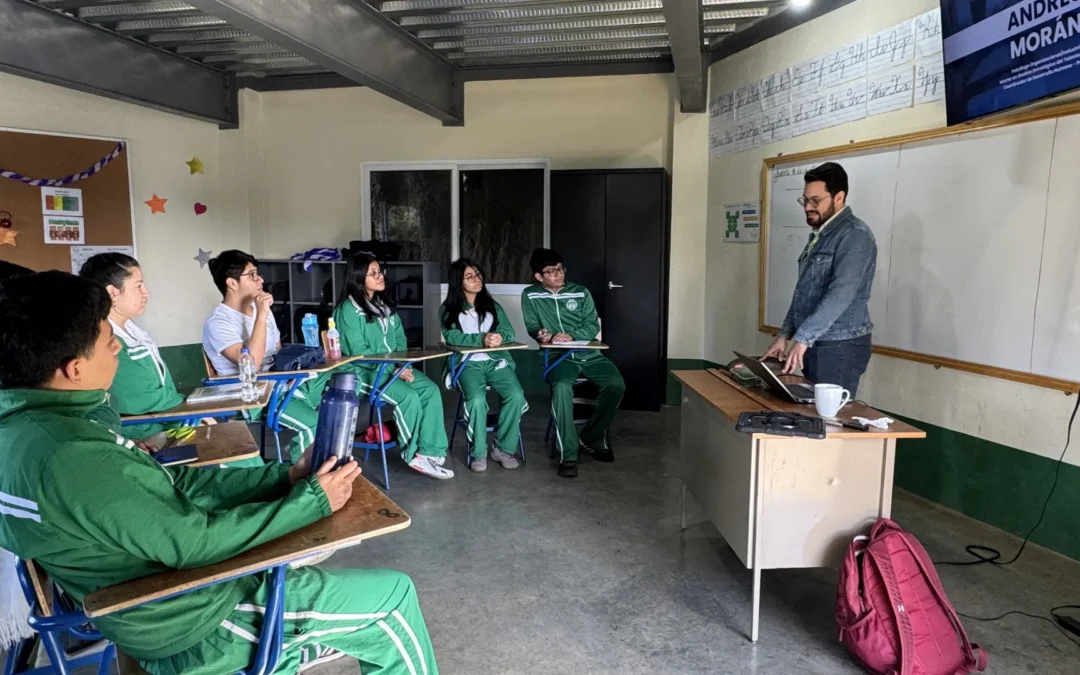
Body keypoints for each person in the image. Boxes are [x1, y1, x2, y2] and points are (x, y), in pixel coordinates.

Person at [0, 271, 438, 675]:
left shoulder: (33, 430)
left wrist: (281, 480)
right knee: (393, 601)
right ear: (73, 370)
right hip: (191, 620)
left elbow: (175, 485)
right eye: (105, 339)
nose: (116, 345)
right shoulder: (73, 456)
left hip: (152, 600)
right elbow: (196, 543)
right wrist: (312, 501)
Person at [332, 252, 453, 480]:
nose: (380, 277)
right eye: (373, 273)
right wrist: (395, 370)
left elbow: (400, 341)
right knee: (408, 397)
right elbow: (359, 352)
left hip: (391, 370)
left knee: (430, 390)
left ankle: (431, 452)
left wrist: (401, 365)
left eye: (380, 272)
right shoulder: (348, 310)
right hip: (362, 374)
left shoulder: (383, 305)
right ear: (358, 278)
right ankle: (413, 454)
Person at [763, 162, 878, 397]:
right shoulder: (821, 234)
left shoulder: (855, 235)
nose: (808, 207)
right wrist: (784, 334)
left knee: (828, 423)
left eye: (815, 201)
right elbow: (804, 292)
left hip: (839, 346)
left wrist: (802, 339)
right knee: (808, 416)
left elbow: (840, 294)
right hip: (815, 341)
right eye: (805, 200)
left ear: (839, 197)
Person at [79, 252, 219, 443]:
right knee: (225, 447)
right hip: (140, 432)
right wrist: (186, 407)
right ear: (112, 292)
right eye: (138, 286)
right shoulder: (104, 340)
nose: (146, 293)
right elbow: (138, 396)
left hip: (164, 420)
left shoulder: (131, 329)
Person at [202, 250, 320, 462]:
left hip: (277, 383)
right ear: (232, 283)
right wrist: (263, 314)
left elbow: (277, 352)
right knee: (317, 424)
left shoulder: (260, 310)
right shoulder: (218, 322)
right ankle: (297, 472)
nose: (261, 280)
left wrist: (290, 371)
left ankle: (312, 454)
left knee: (341, 385)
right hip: (250, 395)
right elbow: (252, 365)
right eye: (253, 275)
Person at [521, 248, 625, 479]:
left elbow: (592, 326)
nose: (559, 275)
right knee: (561, 388)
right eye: (551, 271)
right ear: (539, 277)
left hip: (589, 353)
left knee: (616, 385)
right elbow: (531, 326)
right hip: (559, 357)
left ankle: (591, 436)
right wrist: (541, 333)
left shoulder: (581, 292)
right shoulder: (530, 295)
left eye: (560, 269)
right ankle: (568, 454)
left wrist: (571, 334)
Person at [441, 258, 528, 473]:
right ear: (458, 282)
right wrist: (481, 339)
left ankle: (502, 449)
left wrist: (499, 337)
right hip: (467, 364)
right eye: (469, 277)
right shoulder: (449, 309)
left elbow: (509, 332)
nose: (476, 280)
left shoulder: (492, 305)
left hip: (495, 361)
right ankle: (478, 452)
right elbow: (451, 336)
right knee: (477, 400)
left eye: (478, 274)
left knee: (516, 394)